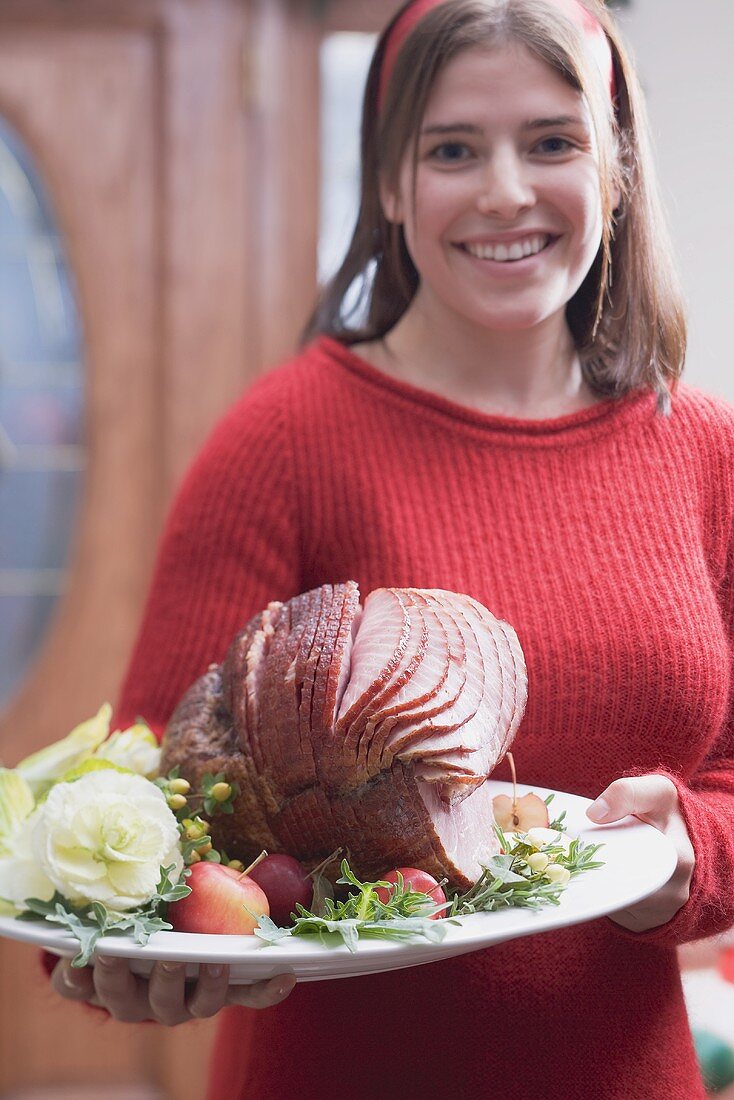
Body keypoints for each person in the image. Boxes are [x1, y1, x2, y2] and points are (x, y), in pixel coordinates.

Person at [48, 0, 734, 1097]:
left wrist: (691, 852)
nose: (505, 190)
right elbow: (144, 786)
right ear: (388, 184)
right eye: (452, 149)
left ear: (615, 168)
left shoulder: (706, 452)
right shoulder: (280, 437)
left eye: (551, 140)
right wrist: (114, 942)